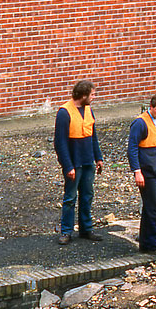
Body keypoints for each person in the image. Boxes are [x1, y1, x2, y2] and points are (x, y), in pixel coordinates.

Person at [53, 80, 105, 245]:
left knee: (87, 195)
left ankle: (86, 229)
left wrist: (99, 157)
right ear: (83, 95)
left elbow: (93, 136)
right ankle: (66, 231)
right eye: (92, 94)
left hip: (88, 161)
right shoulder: (64, 112)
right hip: (74, 163)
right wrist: (68, 166)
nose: (94, 97)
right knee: (70, 198)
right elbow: (60, 143)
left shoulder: (89, 110)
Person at [128, 94, 156, 255]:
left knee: (150, 208)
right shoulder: (140, 123)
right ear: (151, 107)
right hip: (147, 171)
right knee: (155, 208)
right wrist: (137, 171)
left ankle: (146, 243)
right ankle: (155, 245)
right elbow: (132, 149)